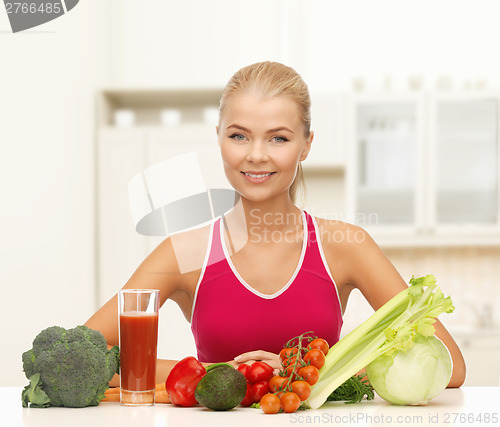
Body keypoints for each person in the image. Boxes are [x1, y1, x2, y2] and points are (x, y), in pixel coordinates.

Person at [85, 61, 466, 388]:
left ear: (306, 145)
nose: (256, 155)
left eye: (278, 138)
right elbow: (86, 355)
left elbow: (449, 364)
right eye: (238, 136)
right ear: (218, 139)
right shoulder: (185, 251)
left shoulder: (344, 244)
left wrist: (305, 373)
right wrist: (219, 374)